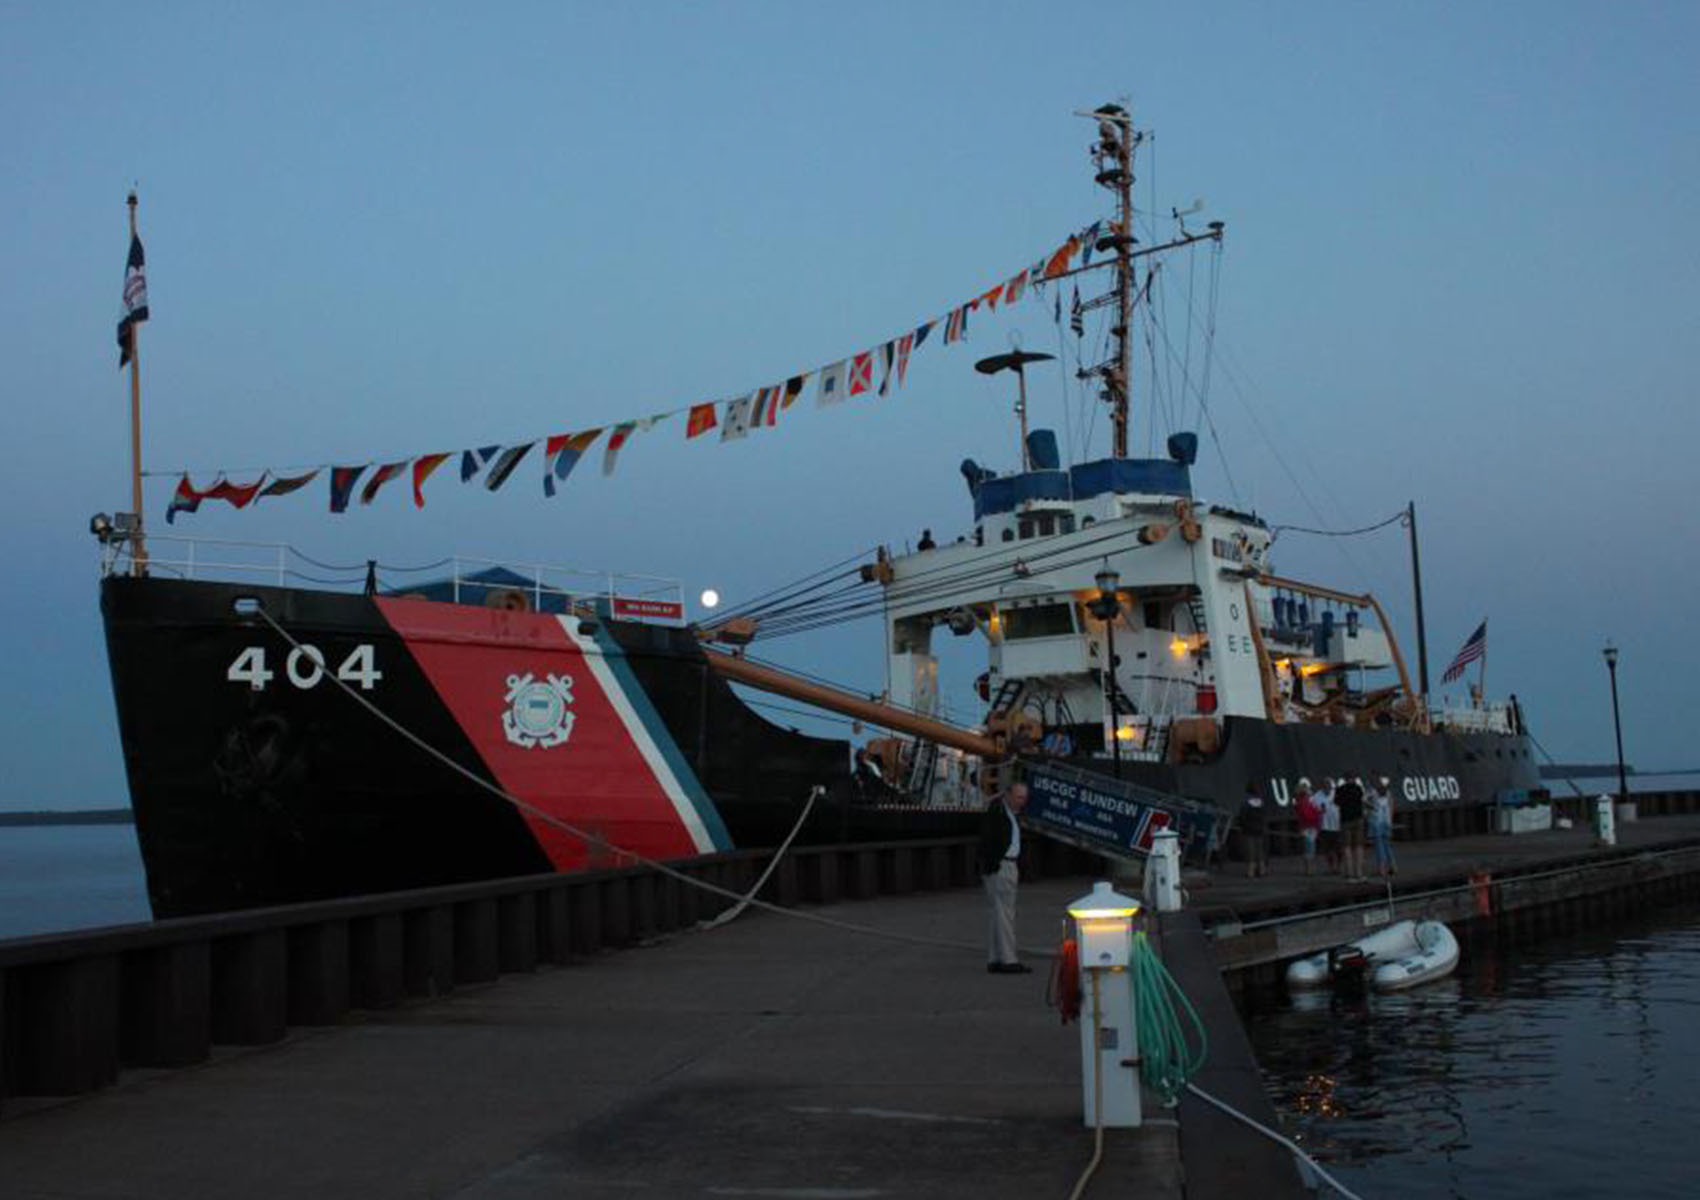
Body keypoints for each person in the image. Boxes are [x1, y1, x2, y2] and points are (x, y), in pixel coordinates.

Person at [977, 781, 1031, 973]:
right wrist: (996, 864)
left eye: (1024, 798)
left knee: (997, 913)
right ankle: (1008, 959)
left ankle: (996, 957)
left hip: (1002, 865)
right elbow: (991, 841)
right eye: (1018, 797)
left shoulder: (1004, 813)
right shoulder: (1000, 814)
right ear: (1007, 795)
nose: (1021, 802)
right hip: (1003, 865)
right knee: (1005, 913)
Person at [1336, 772, 1366, 882]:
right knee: (1358, 846)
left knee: (1347, 847)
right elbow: (1361, 801)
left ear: (1344, 779)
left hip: (1345, 820)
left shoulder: (1340, 789)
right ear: (1354, 778)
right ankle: (1359, 873)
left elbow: (1336, 802)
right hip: (1358, 819)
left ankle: (1350, 874)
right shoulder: (1358, 788)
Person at [1237, 781, 1270, 878]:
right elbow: (1264, 816)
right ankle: (1262, 870)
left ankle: (1250, 871)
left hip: (1248, 830)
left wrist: (1241, 825)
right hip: (1259, 829)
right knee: (1260, 850)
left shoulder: (1245, 804)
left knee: (1250, 851)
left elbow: (1242, 817)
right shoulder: (1262, 803)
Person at [1368, 775, 1397, 877]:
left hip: (1376, 822)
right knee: (1387, 845)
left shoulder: (1372, 792)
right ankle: (1392, 866)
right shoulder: (1388, 792)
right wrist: (1390, 820)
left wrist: (1369, 807)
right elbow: (1392, 806)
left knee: (1379, 846)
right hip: (1387, 821)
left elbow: (1364, 801)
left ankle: (1382, 869)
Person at [1294, 777, 1322, 876]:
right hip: (1310, 827)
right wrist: (1318, 813)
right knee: (1311, 849)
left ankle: (1308, 868)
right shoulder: (1306, 804)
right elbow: (1310, 815)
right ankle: (1309, 869)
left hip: (1305, 827)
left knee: (1307, 848)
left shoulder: (1300, 804)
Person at [1316, 776, 1341, 875]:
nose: (1327, 787)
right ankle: (1332, 867)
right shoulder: (1317, 796)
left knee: (1339, 848)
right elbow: (1314, 810)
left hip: (1337, 825)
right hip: (1324, 826)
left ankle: (1338, 866)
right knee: (1328, 849)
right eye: (1325, 785)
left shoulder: (1337, 794)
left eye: (1329, 785)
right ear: (1322, 786)